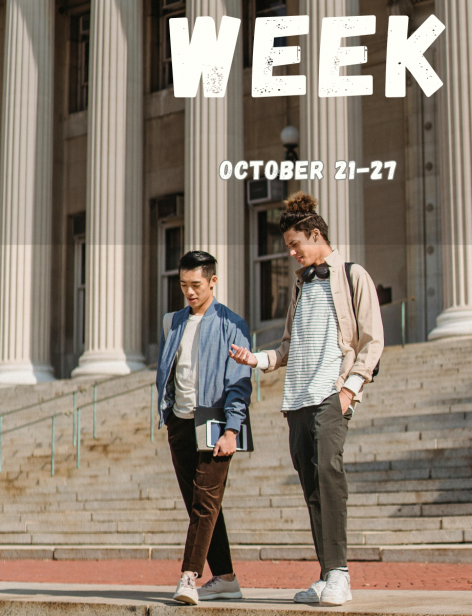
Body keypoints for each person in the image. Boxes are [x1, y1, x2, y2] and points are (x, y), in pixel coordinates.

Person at [230, 193, 384, 607]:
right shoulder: (300, 287)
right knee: (311, 485)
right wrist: (255, 358)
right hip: (296, 398)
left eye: (296, 245)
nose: (292, 254)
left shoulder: (352, 275)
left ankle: (341, 574)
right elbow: (287, 348)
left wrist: (350, 389)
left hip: (329, 395)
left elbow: (373, 342)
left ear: (316, 234)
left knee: (330, 475)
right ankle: (327, 572)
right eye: (289, 248)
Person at [156, 250, 252, 606]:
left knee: (204, 502)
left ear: (213, 281)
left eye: (196, 284)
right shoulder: (173, 321)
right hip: (180, 422)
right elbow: (169, 370)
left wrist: (233, 429)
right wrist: (167, 414)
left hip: (215, 418)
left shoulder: (233, 324)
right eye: (183, 285)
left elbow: (240, 382)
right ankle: (225, 578)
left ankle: (189, 576)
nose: (189, 292)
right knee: (200, 503)